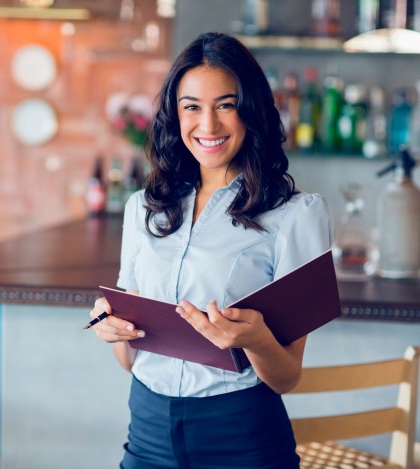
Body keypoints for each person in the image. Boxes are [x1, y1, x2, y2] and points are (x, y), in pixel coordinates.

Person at [88, 32, 332, 469]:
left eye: (225, 104)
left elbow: (286, 376)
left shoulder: (296, 216)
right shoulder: (143, 208)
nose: (209, 126)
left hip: (241, 436)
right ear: (174, 114)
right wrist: (113, 329)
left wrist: (256, 341)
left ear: (251, 109)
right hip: (147, 431)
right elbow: (131, 360)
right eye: (192, 107)